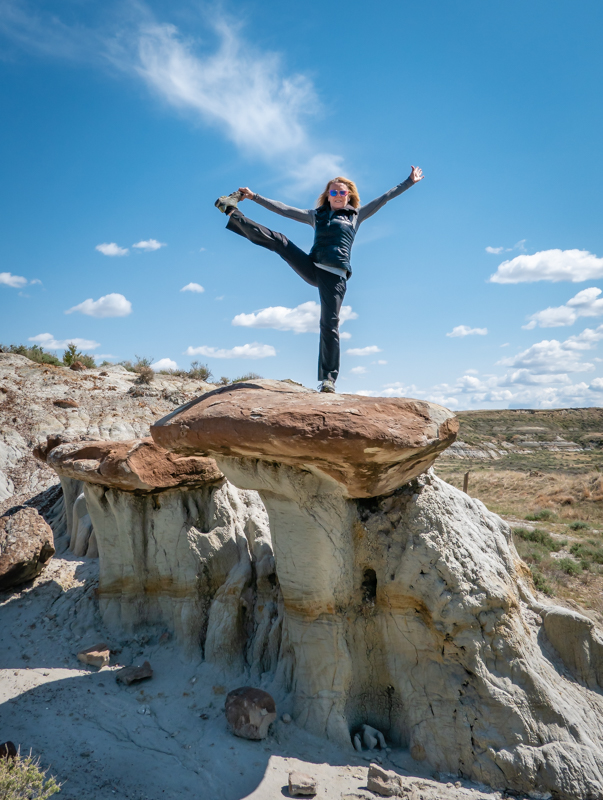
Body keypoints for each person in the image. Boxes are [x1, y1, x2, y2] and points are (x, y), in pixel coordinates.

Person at [215, 166, 424, 392]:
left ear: (349, 195)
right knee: (280, 241)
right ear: (328, 196)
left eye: (342, 192)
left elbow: (385, 198)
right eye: (333, 192)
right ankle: (231, 210)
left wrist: (409, 182)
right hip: (312, 267)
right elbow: (283, 209)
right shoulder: (316, 215)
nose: (338, 196)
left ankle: (328, 379)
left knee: (329, 324)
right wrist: (255, 197)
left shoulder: (356, 215)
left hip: (335, 277)